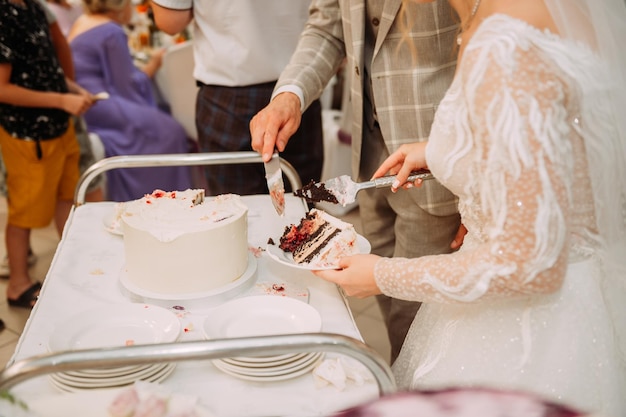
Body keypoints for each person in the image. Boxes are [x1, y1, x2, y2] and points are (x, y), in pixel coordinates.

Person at [314, 0, 626, 415]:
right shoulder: (536, 14)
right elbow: (564, 142)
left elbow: (528, 263)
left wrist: (383, 275)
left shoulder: (503, 46)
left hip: (530, 338)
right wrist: (444, 150)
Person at [249, 1, 462, 363]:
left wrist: (480, 192)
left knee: (419, 324)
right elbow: (328, 26)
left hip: (442, 163)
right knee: (387, 301)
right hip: (368, 156)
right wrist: (290, 94)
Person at [150, 1, 324, 196]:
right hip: (299, 85)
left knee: (237, 211)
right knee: (300, 206)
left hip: (231, 96)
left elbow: (171, 21)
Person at [0, 0, 95, 308]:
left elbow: (44, 67)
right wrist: (60, 100)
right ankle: (18, 284)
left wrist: (72, 90)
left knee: (68, 197)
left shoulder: (33, 7)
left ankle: (74, 265)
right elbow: (2, 88)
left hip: (58, 125)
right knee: (24, 211)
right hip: (27, 133)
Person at [67, 0, 194, 202]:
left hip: (87, 104)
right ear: (120, 6)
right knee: (171, 130)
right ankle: (168, 198)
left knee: (161, 116)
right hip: (100, 102)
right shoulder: (111, 31)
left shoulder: (85, 20)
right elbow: (128, 85)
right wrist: (154, 63)